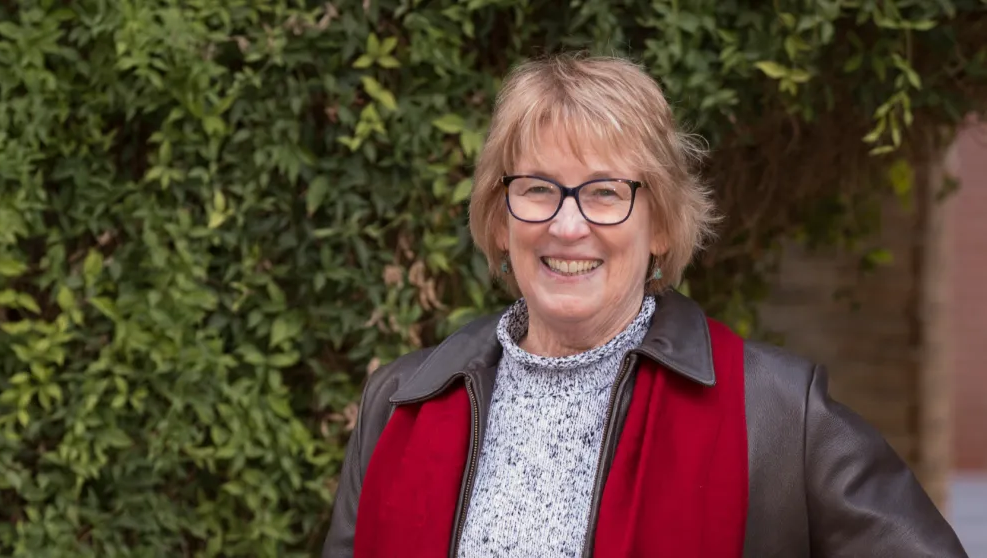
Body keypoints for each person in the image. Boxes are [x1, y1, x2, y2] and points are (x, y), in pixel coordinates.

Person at [321, 53, 968, 558]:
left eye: (605, 193)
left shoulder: (775, 415)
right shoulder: (403, 399)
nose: (567, 225)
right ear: (499, 219)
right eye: (539, 188)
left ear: (659, 225)